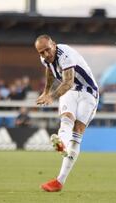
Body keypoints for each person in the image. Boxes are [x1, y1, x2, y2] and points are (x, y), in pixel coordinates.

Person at [35, 34, 99, 192]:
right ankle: (62, 145)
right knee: (66, 118)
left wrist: (52, 96)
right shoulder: (45, 59)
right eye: (41, 52)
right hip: (70, 91)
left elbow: (68, 82)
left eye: (48, 50)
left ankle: (60, 181)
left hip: (88, 92)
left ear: (54, 45)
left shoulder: (66, 55)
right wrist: (46, 91)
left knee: (77, 132)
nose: (46, 55)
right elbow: (50, 71)